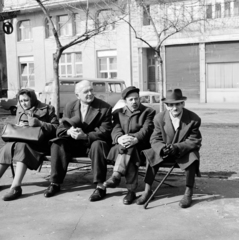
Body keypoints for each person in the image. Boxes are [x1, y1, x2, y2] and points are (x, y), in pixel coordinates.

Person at [44, 80, 112, 201]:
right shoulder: (70, 106)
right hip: (74, 144)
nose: (90, 93)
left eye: (91, 90)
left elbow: (105, 132)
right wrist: (69, 131)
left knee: (99, 144)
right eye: (86, 92)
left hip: (92, 145)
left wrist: (85, 136)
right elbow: (61, 129)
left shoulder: (104, 108)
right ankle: (55, 183)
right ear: (77, 95)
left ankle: (100, 186)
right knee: (58, 143)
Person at [138, 89, 202, 208]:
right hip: (165, 151)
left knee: (193, 157)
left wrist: (177, 147)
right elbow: (154, 139)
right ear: (166, 106)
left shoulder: (194, 119)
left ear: (183, 103)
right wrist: (162, 148)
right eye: (171, 105)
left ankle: (188, 192)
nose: (175, 108)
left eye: (178, 104)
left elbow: (194, 141)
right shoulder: (159, 118)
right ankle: (147, 190)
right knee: (150, 154)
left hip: (183, 151)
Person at [0, 88, 59, 201]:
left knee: (21, 147)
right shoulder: (20, 109)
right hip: (23, 141)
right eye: (21, 101)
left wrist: (39, 123)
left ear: (33, 98)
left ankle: (15, 187)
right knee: (8, 146)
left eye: (26, 100)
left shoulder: (48, 108)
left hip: (41, 144)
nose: (23, 103)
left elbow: (57, 128)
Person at [103, 86, 155, 205]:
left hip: (140, 147)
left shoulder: (148, 112)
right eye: (131, 99)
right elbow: (115, 129)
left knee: (131, 149)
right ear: (125, 101)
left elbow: (146, 130)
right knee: (129, 149)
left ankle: (116, 175)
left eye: (136, 99)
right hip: (121, 147)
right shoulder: (118, 113)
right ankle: (131, 191)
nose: (134, 102)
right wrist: (120, 138)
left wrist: (134, 139)